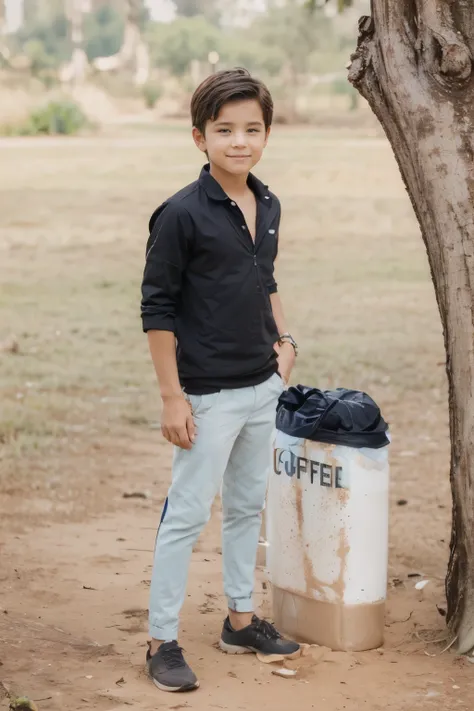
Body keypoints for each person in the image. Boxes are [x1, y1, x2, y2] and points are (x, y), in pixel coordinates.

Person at [141, 67, 300, 694]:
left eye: (252, 129)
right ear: (199, 137)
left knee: (245, 507)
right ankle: (160, 640)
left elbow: (266, 281)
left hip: (263, 387)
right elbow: (157, 309)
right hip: (205, 395)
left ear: (266, 134)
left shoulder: (268, 202)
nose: (240, 141)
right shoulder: (180, 214)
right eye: (225, 130)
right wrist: (171, 396)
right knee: (185, 516)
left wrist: (285, 343)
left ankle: (239, 618)